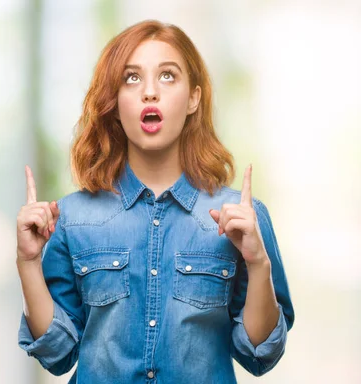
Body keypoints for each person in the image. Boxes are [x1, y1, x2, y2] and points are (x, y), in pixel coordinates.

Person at [15, 19, 294, 383]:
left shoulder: (243, 218)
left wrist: (258, 263)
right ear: (115, 103)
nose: (149, 92)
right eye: (132, 78)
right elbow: (57, 355)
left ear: (193, 97)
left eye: (167, 76)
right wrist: (28, 262)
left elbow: (260, 353)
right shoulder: (72, 218)